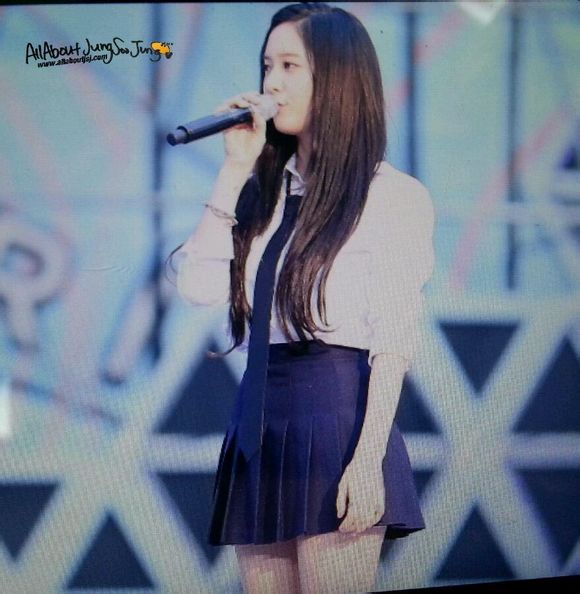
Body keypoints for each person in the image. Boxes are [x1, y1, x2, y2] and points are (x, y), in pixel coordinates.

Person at [167, 3, 435, 593]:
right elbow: (198, 289)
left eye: (290, 66)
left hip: (337, 419)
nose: (271, 83)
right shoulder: (262, 194)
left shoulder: (390, 196)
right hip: (260, 420)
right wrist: (233, 172)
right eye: (267, 65)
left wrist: (367, 460)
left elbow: (394, 340)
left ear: (336, 78)